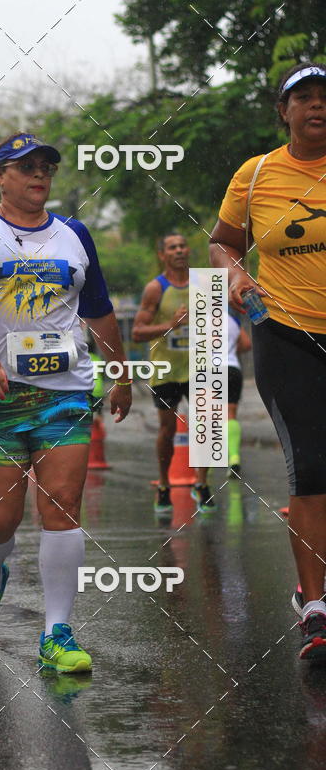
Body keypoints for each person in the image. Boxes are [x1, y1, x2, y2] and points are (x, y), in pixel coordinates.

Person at [0, 132, 132, 673]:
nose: (38, 175)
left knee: (63, 507)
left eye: (46, 166)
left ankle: (56, 632)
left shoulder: (75, 234)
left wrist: (120, 373)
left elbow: (97, 308)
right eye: (24, 167)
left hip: (66, 391)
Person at [209, 62, 326, 661]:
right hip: (288, 337)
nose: (316, 106)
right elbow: (224, 240)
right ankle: (314, 606)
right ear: (282, 111)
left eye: (324, 96)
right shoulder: (256, 176)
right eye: (302, 97)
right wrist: (234, 272)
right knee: (309, 469)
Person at [132, 233, 215, 514]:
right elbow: (137, 333)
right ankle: (165, 483)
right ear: (162, 255)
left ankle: (201, 484)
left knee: (206, 423)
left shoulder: (203, 283)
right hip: (165, 369)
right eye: (172, 247)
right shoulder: (156, 289)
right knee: (168, 429)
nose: (179, 250)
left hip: (197, 367)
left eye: (182, 245)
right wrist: (170, 323)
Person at [226, 309, 252, 478]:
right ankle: (234, 457)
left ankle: (206, 466)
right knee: (230, 414)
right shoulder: (232, 319)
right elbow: (247, 344)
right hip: (232, 368)